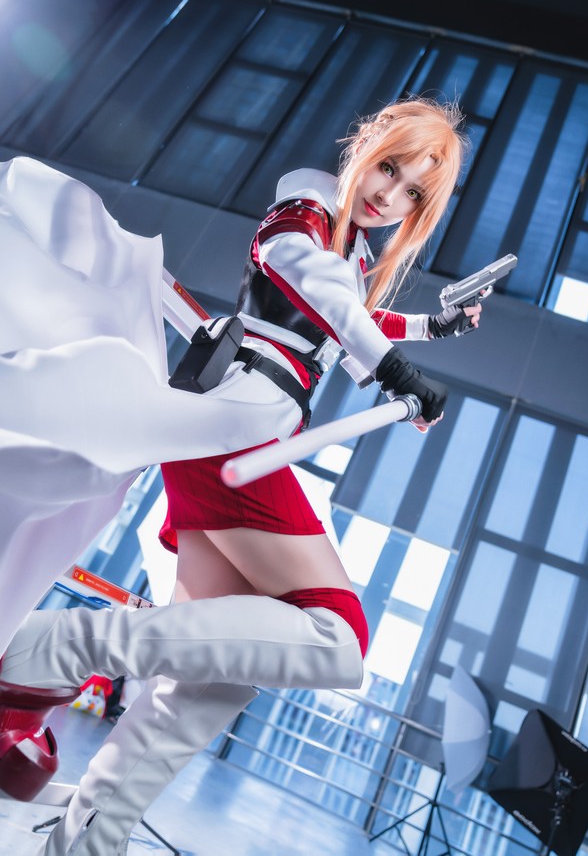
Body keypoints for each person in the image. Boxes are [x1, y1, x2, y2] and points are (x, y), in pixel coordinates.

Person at [0, 97, 481, 854]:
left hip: (247, 435)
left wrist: (430, 329)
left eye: (413, 192)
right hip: (232, 428)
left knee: (208, 687)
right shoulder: (306, 211)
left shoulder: (347, 251)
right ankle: (53, 648)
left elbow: (351, 311)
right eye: (389, 167)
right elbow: (307, 277)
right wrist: (393, 370)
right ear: (364, 147)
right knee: (339, 638)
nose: (390, 195)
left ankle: (86, 840)